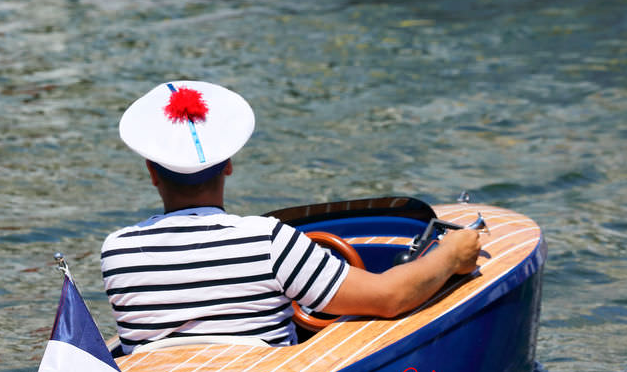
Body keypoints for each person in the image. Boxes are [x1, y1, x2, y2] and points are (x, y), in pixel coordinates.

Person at [101, 80, 480, 355]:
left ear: (152, 172)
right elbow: (389, 298)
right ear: (229, 166)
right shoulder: (266, 240)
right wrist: (450, 255)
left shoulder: (117, 252)